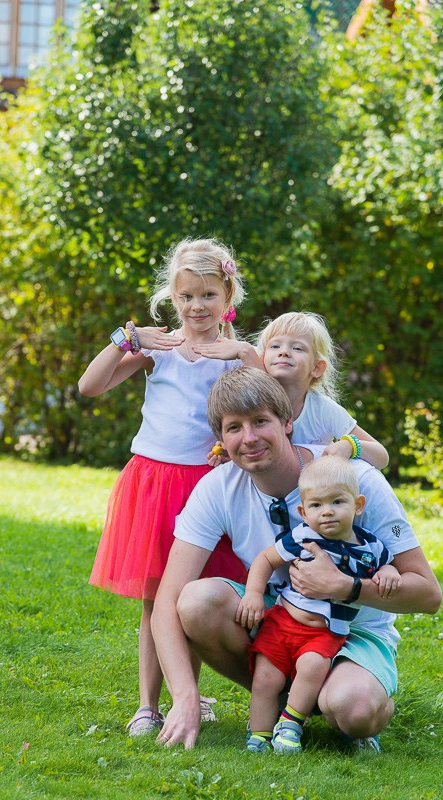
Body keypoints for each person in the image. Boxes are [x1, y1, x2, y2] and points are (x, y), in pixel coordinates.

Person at [150, 367, 441, 750]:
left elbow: (428, 595)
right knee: (196, 601)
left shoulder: (353, 480)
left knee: (353, 709)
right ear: (220, 439)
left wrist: (346, 587)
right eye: (234, 428)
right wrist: (185, 698)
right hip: (283, 622)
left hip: (355, 629)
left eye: (260, 422)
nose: (249, 438)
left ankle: (348, 698)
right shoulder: (216, 489)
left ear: (287, 422)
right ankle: (285, 705)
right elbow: (165, 604)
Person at [78, 238, 248, 736]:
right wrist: (125, 340)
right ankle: (149, 706)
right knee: (157, 599)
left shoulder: (235, 355)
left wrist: (245, 352)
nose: (197, 306)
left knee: (194, 598)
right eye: (187, 297)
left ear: (227, 297)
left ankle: (189, 698)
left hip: (213, 488)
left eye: (208, 295)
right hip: (154, 484)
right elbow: (90, 387)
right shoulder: (160, 350)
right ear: (172, 300)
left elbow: (277, 402)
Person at [239, 456, 401, 755]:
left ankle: (290, 725)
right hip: (282, 622)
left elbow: (387, 565)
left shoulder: (371, 548)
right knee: (265, 677)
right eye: (316, 505)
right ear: (303, 511)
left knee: (312, 667)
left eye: (337, 502)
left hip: (324, 633)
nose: (326, 512)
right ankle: (259, 735)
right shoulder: (303, 536)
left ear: (358, 505)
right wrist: (252, 594)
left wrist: (388, 573)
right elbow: (266, 559)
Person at [195, 311, 389, 469]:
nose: (284, 351)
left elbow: (381, 457)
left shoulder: (322, 409)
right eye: (275, 345)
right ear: (262, 359)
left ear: (317, 368)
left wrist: (349, 445)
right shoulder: (252, 403)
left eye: (298, 348)